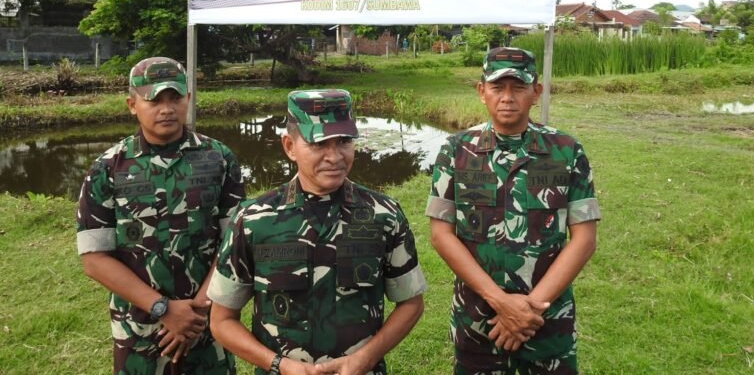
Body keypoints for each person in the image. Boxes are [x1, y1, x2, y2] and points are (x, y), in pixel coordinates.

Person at [208, 88, 426, 375]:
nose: (334, 156)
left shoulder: (383, 215)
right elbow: (222, 320)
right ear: (289, 146)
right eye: (319, 143)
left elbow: (410, 303)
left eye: (344, 141)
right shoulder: (253, 220)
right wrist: (279, 365)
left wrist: (365, 358)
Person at [426, 47, 601, 375]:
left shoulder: (566, 151)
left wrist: (529, 310)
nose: (507, 97)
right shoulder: (456, 151)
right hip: (478, 321)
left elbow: (584, 239)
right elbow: (440, 235)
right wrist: (502, 302)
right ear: (482, 92)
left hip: (547, 322)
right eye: (497, 87)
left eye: (518, 87)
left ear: (536, 92)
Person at [76, 56, 244, 374]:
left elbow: (233, 242)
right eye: (154, 99)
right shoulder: (108, 169)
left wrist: (197, 311)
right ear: (132, 104)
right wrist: (163, 308)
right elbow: (94, 258)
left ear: (188, 100)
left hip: (206, 326)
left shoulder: (219, 159)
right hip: (138, 331)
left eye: (175, 98)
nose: (166, 108)